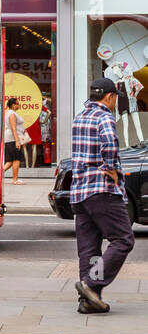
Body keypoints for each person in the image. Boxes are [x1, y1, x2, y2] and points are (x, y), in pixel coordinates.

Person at [70, 77, 135, 314]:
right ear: (109, 96)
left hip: (80, 193)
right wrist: (111, 169)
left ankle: (88, 300)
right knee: (123, 239)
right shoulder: (105, 116)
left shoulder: (81, 116)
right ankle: (91, 284)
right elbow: (110, 143)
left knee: (88, 249)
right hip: (101, 189)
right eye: (115, 97)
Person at [4, 97, 25, 185]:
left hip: (10, 138)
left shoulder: (9, 113)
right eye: (17, 103)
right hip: (13, 139)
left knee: (10, 161)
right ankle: (15, 179)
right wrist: (17, 141)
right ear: (13, 105)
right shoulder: (12, 114)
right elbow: (13, 128)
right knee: (16, 159)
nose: (19, 105)